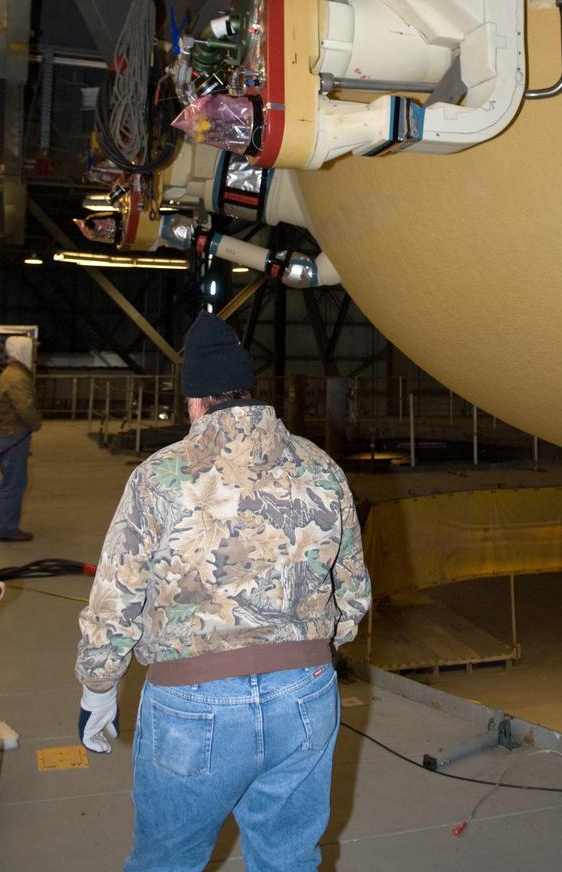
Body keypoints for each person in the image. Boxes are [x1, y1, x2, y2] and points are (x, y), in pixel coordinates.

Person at [76, 310, 371, 872]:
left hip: (194, 702)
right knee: (287, 859)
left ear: (196, 401)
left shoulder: (161, 475)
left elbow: (116, 598)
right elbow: (352, 593)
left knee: (167, 861)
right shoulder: (322, 468)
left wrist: (98, 687)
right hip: (306, 695)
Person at [0, 334, 41, 542]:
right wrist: (36, 423)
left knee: (9, 480)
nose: (34, 354)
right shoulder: (18, 377)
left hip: (6, 434)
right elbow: (24, 407)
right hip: (14, 435)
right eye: (31, 349)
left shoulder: (11, 373)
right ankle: (7, 529)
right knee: (15, 483)